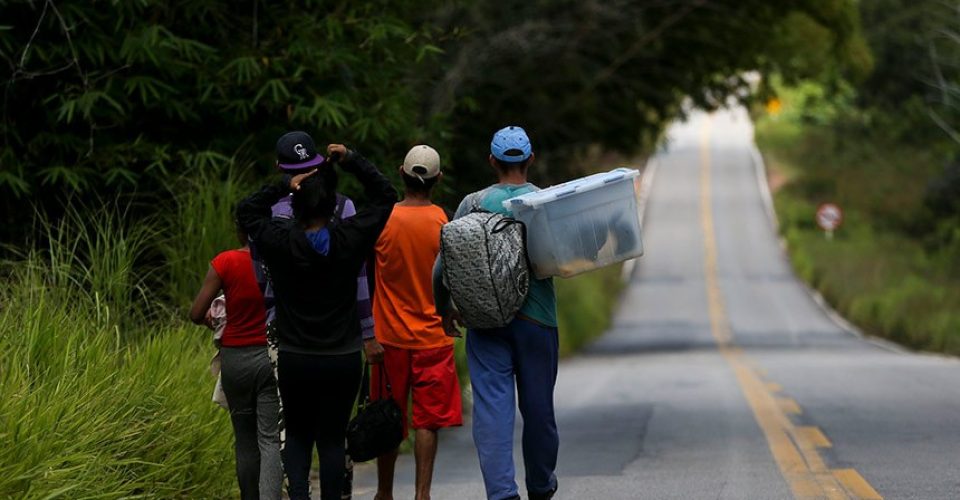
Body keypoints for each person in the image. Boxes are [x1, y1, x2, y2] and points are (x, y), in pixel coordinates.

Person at [236, 142, 396, 500]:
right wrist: (352, 159)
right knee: (331, 438)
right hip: (342, 356)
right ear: (332, 204)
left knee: (297, 435)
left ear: (295, 206)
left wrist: (284, 184)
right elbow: (386, 195)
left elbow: (246, 211)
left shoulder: (281, 241)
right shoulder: (350, 237)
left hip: (296, 354)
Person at [433, 126, 559, 500]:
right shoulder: (545, 201)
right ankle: (540, 484)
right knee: (538, 408)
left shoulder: (471, 204)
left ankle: (502, 492)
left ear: (492, 161)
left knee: (491, 410)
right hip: (537, 321)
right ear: (530, 160)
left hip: (485, 321)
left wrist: (445, 310)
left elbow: (443, 266)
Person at [365, 145, 463, 500]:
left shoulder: (382, 219)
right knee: (428, 421)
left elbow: (366, 277)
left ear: (401, 173)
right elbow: (454, 279)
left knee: (389, 417)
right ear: (438, 179)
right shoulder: (445, 222)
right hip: (434, 338)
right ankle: (423, 494)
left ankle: (384, 493)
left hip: (387, 337)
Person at [189, 222, 282, 500]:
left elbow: (196, 313)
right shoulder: (276, 262)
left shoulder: (225, 262)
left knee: (245, 441)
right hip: (270, 357)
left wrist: (215, 323)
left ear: (239, 231)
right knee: (269, 440)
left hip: (235, 361)